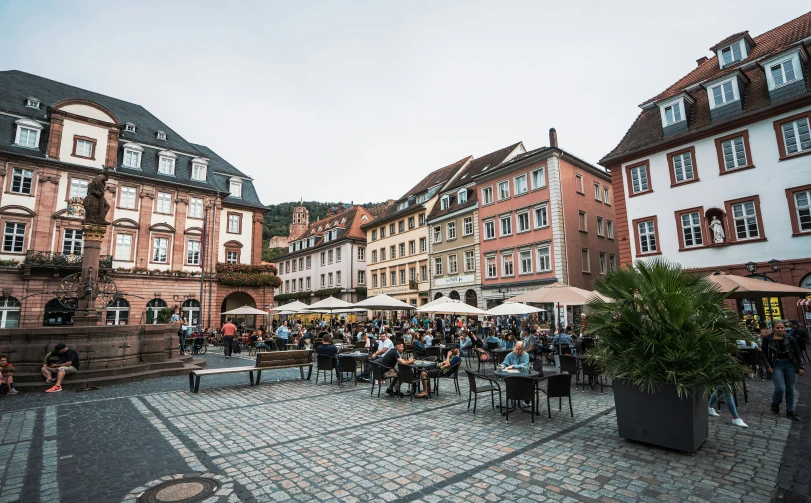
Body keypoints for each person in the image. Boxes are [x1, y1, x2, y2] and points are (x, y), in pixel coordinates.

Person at [762, 321, 805, 421]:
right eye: (778, 328)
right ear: (773, 328)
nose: (780, 329)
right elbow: (763, 354)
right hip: (776, 365)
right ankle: (775, 403)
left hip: (790, 364)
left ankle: (790, 410)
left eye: (782, 327)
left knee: (790, 388)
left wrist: (801, 366)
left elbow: (798, 353)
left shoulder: (790, 339)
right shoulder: (767, 339)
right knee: (780, 388)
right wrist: (768, 366)